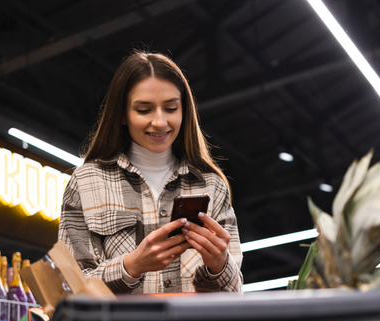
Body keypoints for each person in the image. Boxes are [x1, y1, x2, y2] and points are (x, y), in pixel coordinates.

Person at [58, 50, 243, 294]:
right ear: (122, 115)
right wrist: (131, 266)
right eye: (144, 110)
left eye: (171, 108)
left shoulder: (211, 185)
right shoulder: (86, 182)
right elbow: (68, 288)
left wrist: (219, 267)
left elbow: (235, 294)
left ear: (184, 111)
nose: (159, 121)